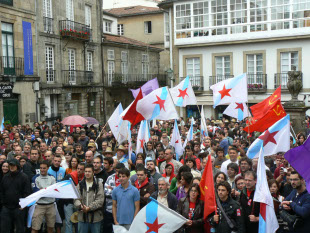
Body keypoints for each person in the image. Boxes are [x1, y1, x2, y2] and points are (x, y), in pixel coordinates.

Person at [0, 159, 31, 233]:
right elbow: (1, 191)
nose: (11, 167)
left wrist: (22, 205)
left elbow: (27, 192)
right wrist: (3, 202)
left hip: (19, 208)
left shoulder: (24, 177)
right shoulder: (5, 177)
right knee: (4, 229)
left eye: (13, 165)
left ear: (17, 166)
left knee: (19, 229)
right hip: (6, 208)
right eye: (10, 165)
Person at [74, 164, 104, 233]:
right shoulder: (80, 184)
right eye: (86, 171)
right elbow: (76, 199)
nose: (87, 173)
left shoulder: (98, 184)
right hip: (82, 217)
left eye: (89, 171)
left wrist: (89, 208)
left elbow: (100, 200)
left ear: (93, 172)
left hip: (95, 218)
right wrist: (80, 206)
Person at [31, 160, 56, 233]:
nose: (42, 170)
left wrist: (42, 190)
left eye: (44, 168)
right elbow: (35, 191)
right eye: (41, 168)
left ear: (48, 168)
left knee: (51, 228)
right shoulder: (35, 178)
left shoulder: (52, 178)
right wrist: (47, 190)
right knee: (35, 228)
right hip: (39, 205)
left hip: (51, 205)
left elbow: (53, 191)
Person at [103, 163, 124, 233]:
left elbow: (126, 194)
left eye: (120, 171)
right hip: (109, 210)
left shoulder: (126, 179)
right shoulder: (110, 178)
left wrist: (113, 189)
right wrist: (118, 191)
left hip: (121, 211)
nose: (118, 173)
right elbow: (106, 192)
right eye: (117, 171)